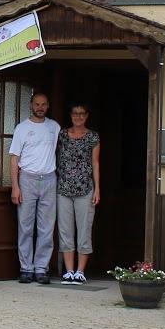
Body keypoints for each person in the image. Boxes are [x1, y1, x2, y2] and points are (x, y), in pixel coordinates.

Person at [9, 92, 61, 284]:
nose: (40, 107)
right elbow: (14, 159)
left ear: (48, 106)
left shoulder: (54, 127)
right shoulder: (22, 128)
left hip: (49, 178)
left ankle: (41, 269)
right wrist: (15, 187)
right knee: (25, 226)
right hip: (27, 179)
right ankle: (26, 268)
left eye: (43, 104)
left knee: (46, 227)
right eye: (37, 104)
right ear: (31, 105)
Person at [56, 103, 101, 285]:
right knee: (65, 230)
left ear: (87, 115)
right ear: (70, 115)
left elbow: (95, 163)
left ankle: (80, 272)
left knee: (84, 230)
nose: (78, 116)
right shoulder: (62, 135)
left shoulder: (93, 136)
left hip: (85, 189)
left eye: (82, 113)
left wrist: (97, 188)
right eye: (75, 113)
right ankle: (69, 271)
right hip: (63, 189)